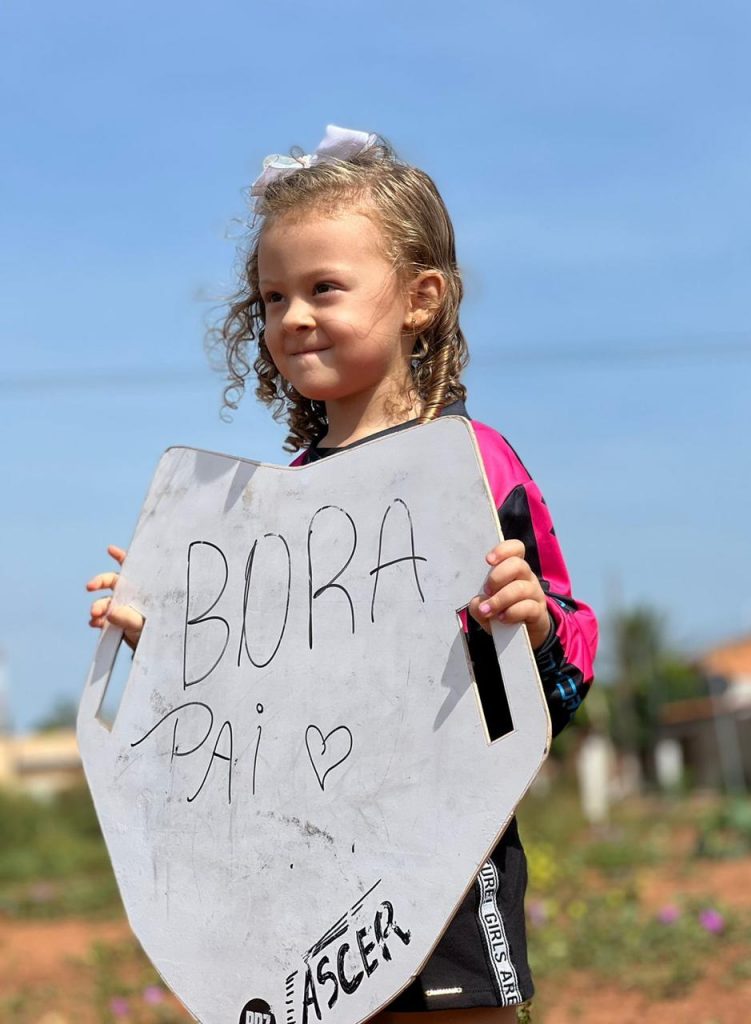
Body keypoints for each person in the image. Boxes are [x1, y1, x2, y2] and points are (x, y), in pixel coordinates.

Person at [86, 125, 598, 1023]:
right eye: (273, 296)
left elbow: (565, 655)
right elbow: (254, 700)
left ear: (421, 299)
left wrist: (536, 623)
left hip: (444, 843)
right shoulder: (268, 512)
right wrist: (165, 635)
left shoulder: (472, 469)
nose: (293, 317)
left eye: (324, 287)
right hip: (302, 868)